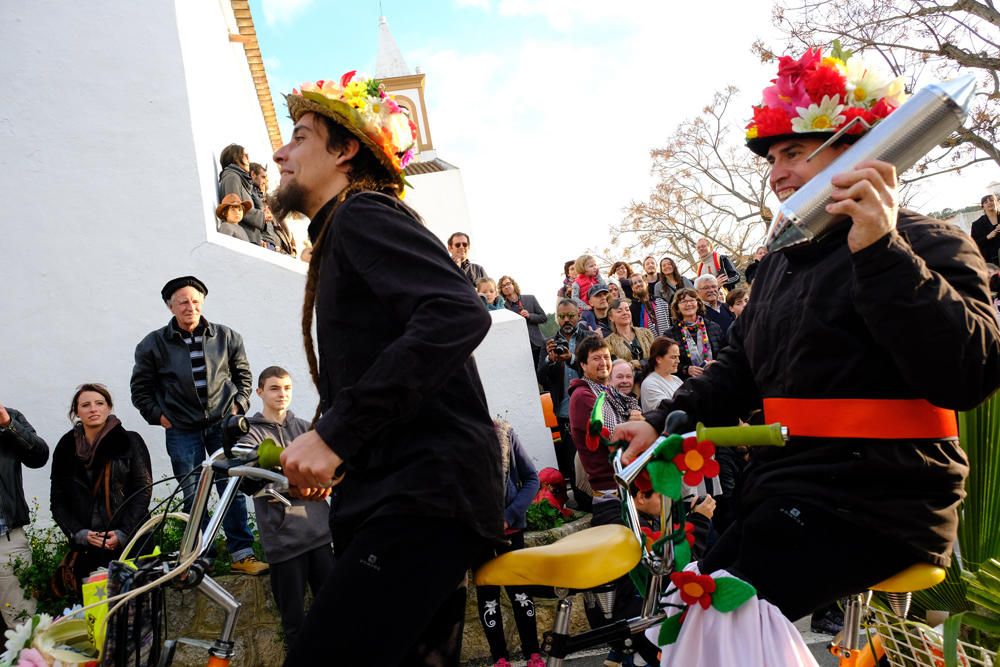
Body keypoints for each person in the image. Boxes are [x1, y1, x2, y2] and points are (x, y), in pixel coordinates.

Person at [614, 45, 1000, 639]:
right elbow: (738, 367)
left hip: (884, 500)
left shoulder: (931, 241)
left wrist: (881, 249)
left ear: (867, 149)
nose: (775, 172)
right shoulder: (779, 265)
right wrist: (662, 418)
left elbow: (968, 373)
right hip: (789, 488)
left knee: (714, 627)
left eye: (794, 151)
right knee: (672, 625)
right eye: (772, 158)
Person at [270, 72, 503, 665]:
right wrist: (336, 448)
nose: (279, 151)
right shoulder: (342, 232)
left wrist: (335, 435)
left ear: (346, 151)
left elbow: (456, 313)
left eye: (298, 137)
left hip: (419, 499)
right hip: (408, 496)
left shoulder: (362, 215)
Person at [130, 275, 265, 575]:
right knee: (193, 494)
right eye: (182, 302)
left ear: (202, 303)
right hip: (181, 430)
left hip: (223, 426)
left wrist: (238, 406)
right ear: (170, 307)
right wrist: (158, 416)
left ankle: (241, 554)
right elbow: (140, 390)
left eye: (194, 301)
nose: (189, 307)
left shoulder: (227, 337)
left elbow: (243, 378)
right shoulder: (152, 344)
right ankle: (200, 555)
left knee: (230, 487)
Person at [237, 367, 333, 650]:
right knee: (294, 626)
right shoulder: (249, 435)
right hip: (283, 543)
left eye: (287, 388)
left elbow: (327, 471)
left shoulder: (306, 428)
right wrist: (297, 483)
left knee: (334, 618)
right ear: (260, 392)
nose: (282, 394)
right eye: (275, 388)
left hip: (320, 535)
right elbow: (251, 482)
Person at [50, 384, 152, 601]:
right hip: (89, 549)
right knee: (96, 612)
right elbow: (57, 501)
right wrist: (80, 533)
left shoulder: (130, 441)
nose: (93, 409)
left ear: (109, 408)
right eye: (85, 405)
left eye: (99, 403)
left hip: (131, 543)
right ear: (76, 412)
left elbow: (142, 491)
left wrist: (123, 533)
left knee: (136, 610)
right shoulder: (66, 447)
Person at [476, 420, 544, 667]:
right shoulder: (454, 439)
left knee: (521, 593)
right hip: (478, 534)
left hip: (510, 530)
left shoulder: (504, 433)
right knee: (488, 596)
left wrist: (508, 516)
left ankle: (533, 654)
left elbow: (532, 479)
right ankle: (499, 659)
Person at [0, 401, 49, 628]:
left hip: (6, 539)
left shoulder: (10, 418)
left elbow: (39, 457)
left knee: (23, 624)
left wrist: (9, 425)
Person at [537, 299, 593, 487]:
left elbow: (598, 368)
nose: (566, 320)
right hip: (563, 411)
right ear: (557, 318)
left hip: (591, 407)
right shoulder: (549, 343)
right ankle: (579, 496)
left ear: (578, 315)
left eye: (570, 316)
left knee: (594, 454)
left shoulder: (589, 339)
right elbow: (541, 377)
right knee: (571, 457)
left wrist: (572, 359)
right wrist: (549, 359)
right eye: (562, 316)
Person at [218, 144, 273, 248]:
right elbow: (234, 207)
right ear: (236, 158)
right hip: (243, 239)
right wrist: (262, 216)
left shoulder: (240, 179)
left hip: (249, 238)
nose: (248, 159)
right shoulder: (232, 177)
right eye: (245, 155)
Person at [665, 288, 724, 379]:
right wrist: (686, 369)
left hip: (716, 378)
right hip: (688, 384)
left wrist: (717, 362)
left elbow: (724, 353)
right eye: (683, 301)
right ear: (677, 308)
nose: (688, 304)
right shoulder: (670, 334)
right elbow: (667, 362)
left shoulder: (714, 327)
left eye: (692, 300)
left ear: (698, 304)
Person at [499, 275, 548, 364]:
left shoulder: (530, 298)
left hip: (538, 344)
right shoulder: (502, 307)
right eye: (503, 286)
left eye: (508, 283)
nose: (506, 287)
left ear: (513, 284)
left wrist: (529, 315)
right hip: (519, 349)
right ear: (501, 290)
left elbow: (544, 318)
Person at [605, 298, 655, 371]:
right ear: (611, 317)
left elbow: (656, 357)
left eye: (627, 309)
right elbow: (614, 367)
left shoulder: (646, 333)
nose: (625, 313)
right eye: (619, 311)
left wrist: (639, 363)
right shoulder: (608, 343)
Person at [640, 337, 683, 412]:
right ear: (658, 359)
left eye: (678, 357)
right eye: (673, 357)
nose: (678, 361)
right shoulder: (650, 384)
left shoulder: (676, 379)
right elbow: (666, 411)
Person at [970, 194, 1000, 265]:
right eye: (986, 202)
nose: (989, 203)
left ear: (997, 202)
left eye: (992, 200)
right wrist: (987, 237)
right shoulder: (977, 224)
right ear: (982, 207)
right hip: (991, 262)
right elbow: (973, 244)